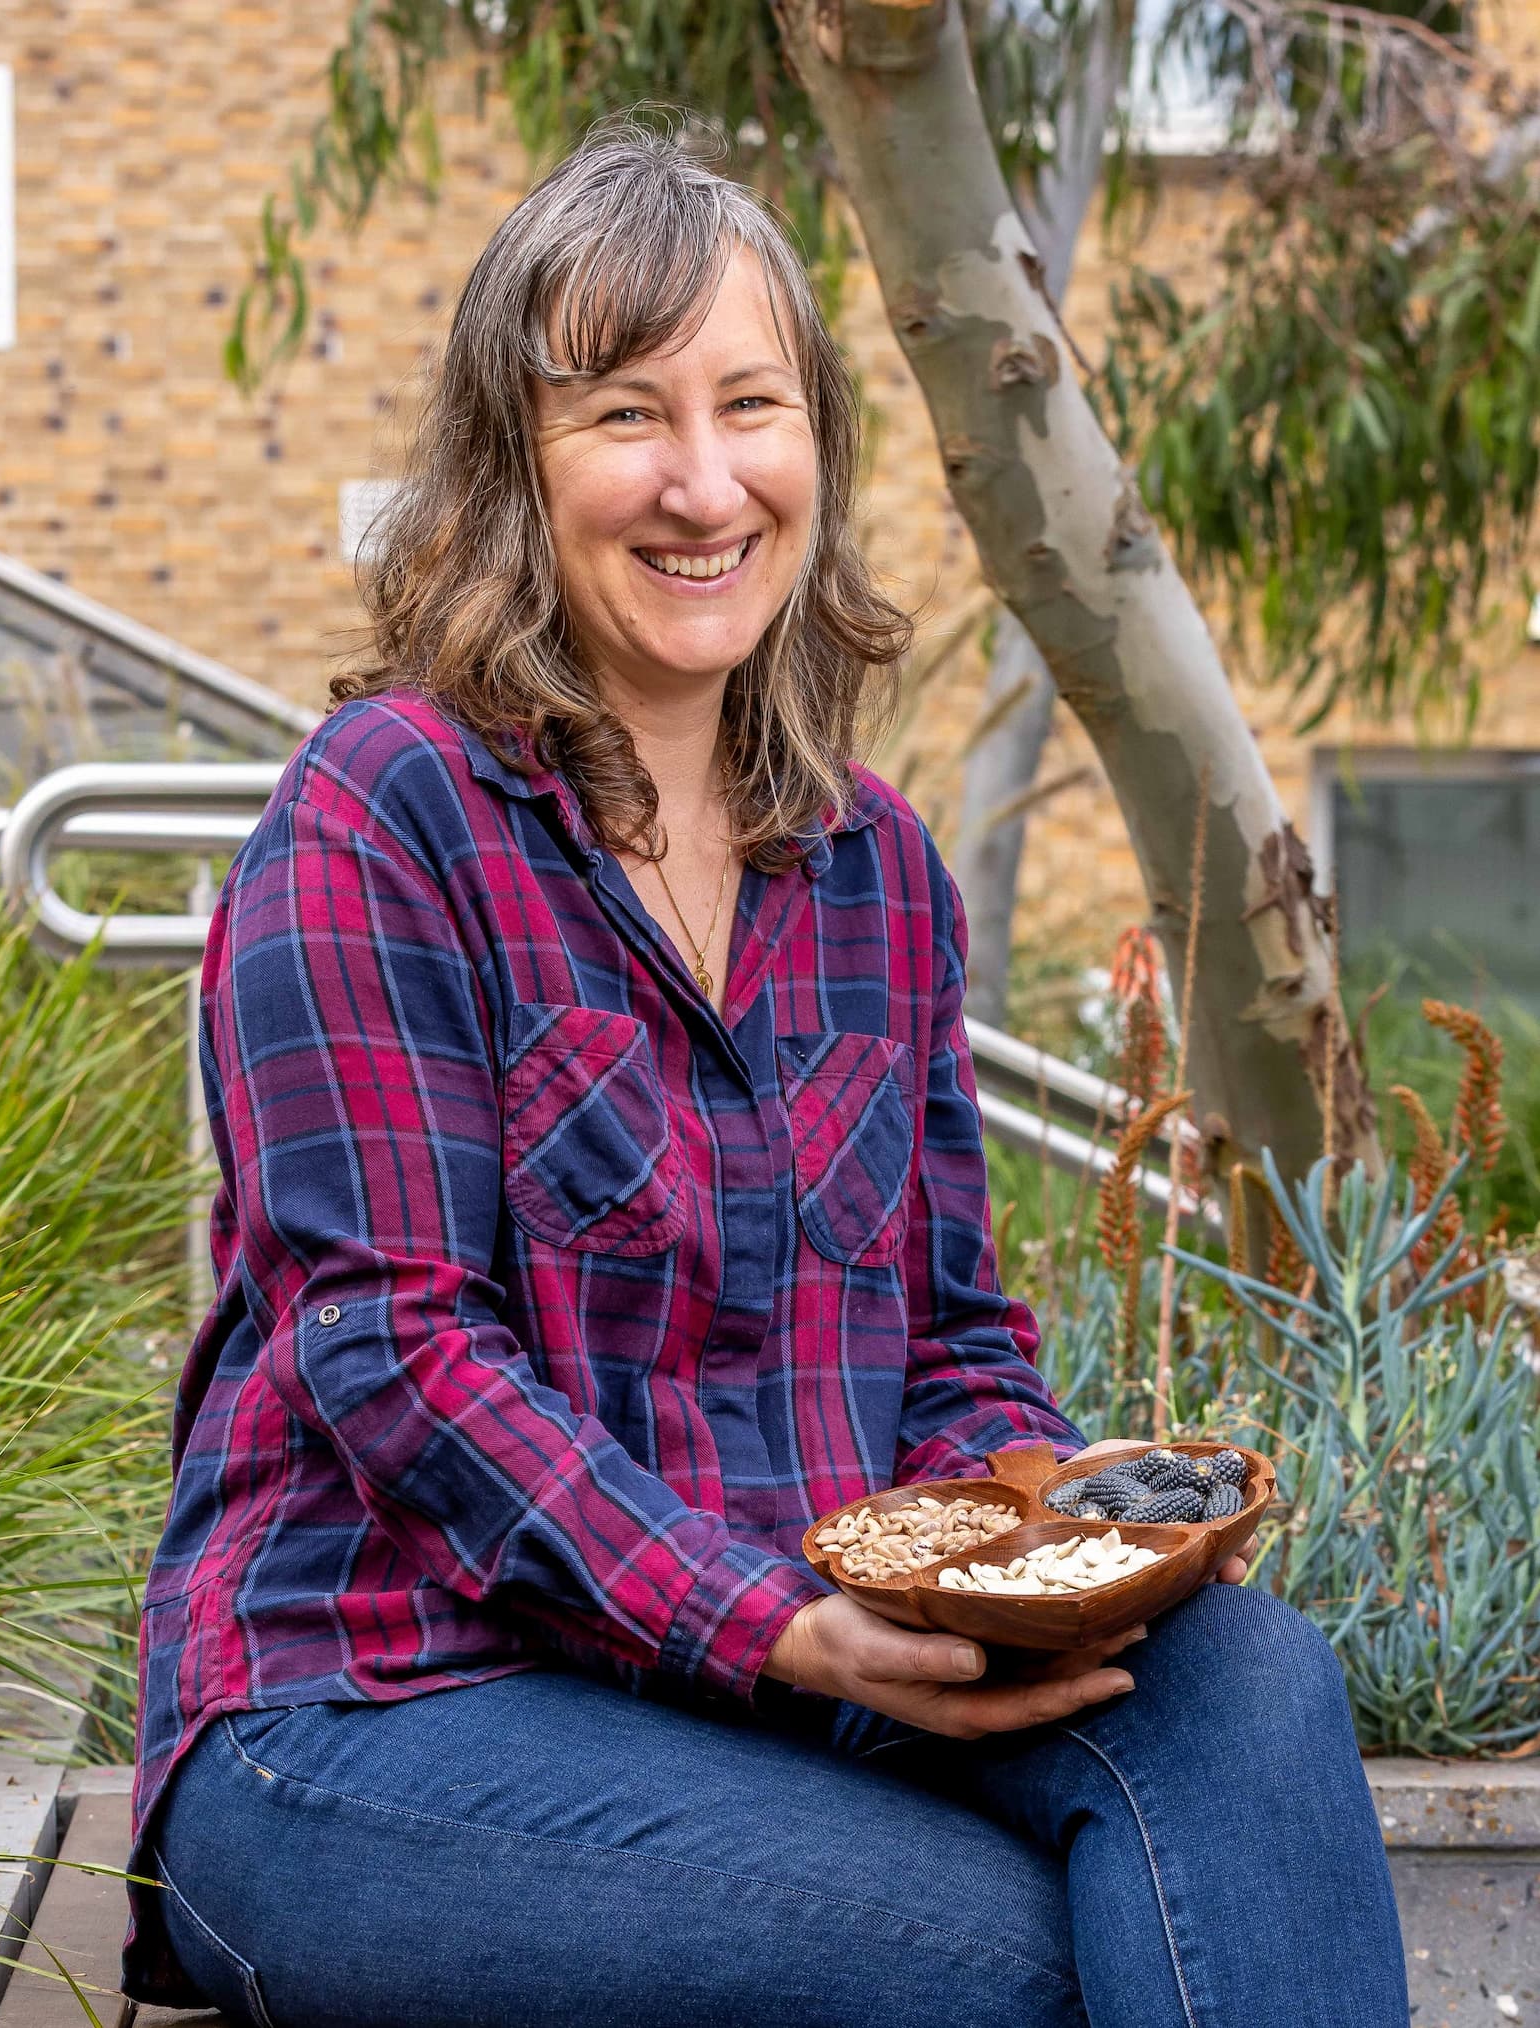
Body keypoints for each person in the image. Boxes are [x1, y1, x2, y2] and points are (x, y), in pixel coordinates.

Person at [123, 115, 1410, 2028]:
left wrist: (1049, 1552)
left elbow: (953, 1331)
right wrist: (783, 1627)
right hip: (372, 1711)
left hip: (789, 1683)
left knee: (1245, 1690)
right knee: (1021, 1967)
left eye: (752, 404)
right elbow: (390, 1354)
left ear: (815, 443)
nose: (704, 481)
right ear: (512, 465)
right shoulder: (381, 817)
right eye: (626, 415)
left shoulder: (872, 866)